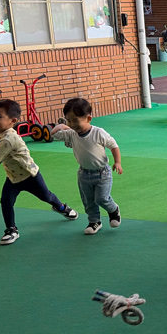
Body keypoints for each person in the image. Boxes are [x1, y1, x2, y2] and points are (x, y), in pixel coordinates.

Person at [0, 98, 78, 245]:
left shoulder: (8, 139)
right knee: (6, 201)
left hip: (30, 176)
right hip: (13, 178)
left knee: (46, 196)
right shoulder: (3, 133)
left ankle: (61, 207)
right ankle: (11, 229)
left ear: (13, 121)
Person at [50, 97, 122, 235]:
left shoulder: (98, 132)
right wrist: (63, 126)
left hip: (102, 173)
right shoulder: (71, 134)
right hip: (84, 174)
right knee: (88, 201)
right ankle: (94, 221)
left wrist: (117, 162)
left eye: (75, 120)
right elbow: (54, 134)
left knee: (101, 198)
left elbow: (113, 145)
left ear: (88, 118)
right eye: (68, 120)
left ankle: (113, 210)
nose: (72, 124)